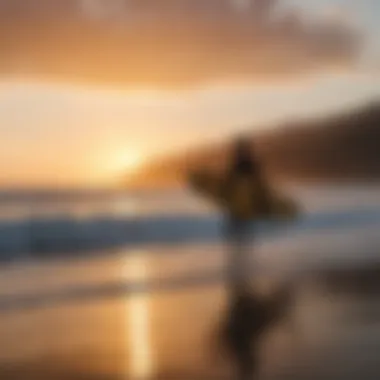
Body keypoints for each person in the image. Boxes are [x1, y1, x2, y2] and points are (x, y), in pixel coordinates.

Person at [222, 136, 271, 291]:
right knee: (242, 237)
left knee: (238, 237)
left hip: (238, 208)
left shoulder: (239, 164)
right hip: (241, 207)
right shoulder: (246, 164)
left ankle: (239, 268)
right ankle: (242, 267)